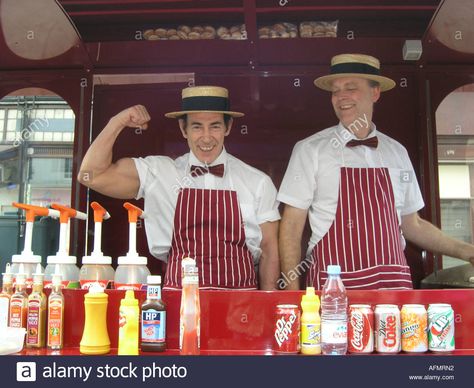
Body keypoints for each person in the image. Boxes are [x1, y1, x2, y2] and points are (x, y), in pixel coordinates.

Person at [278, 53, 474, 290]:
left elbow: (413, 225)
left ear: (375, 92)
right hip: (335, 287)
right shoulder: (310, 150)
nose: (341, 97)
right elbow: (291, 226)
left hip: (394, 285)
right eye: (335, 90)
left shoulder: (397, 152)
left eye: (351, 88)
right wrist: (291, 293)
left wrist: (467, 251)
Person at [78, 86, 280, 290]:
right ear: (183, 129)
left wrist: (269, 308)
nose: (207, 137)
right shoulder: (159, 172)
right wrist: (117, 122)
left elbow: (269, 249)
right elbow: (92, 175)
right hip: (178, 302)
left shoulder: (258, 182)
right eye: (197, 127)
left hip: (241, 304)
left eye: (215, 126)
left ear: (228, 128)